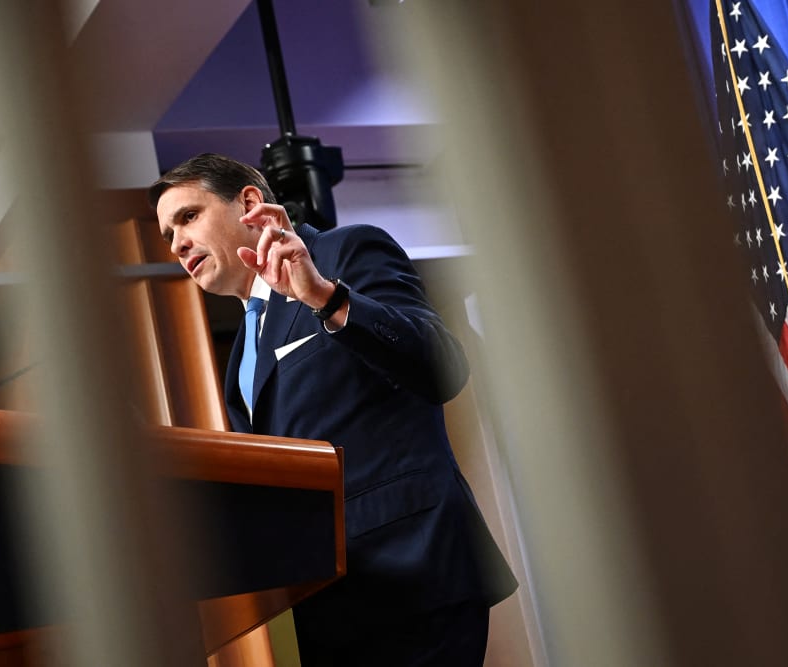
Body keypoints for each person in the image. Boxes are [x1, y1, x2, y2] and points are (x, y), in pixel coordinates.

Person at [149, 153, 517, 666]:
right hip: (327, 607)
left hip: (412, 572)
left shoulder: (343, 252)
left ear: (251, 204)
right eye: (168, 235)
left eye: (188, 217)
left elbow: (441, 366)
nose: (178, 243)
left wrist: (326, 297)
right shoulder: (236, 363)